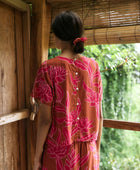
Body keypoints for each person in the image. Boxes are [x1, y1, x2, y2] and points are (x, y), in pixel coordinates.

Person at [31, 11, 103, 170]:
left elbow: (45, 120)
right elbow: (99, 115)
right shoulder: (93, 67)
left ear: (57, 35)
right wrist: (96, 151)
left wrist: (37, 157)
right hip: (89, 153)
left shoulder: (48, 68)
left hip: (59, 155)